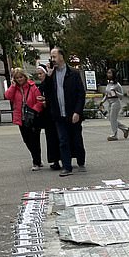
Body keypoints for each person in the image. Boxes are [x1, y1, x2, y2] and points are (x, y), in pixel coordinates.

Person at [42, 46, 87, 177]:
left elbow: (81, 94)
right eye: (51, 57)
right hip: (58, 114)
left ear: (61, 57)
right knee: (63, 140)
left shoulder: (73, 73)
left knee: (77, 139)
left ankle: (81, 162)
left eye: (54, 56)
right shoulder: (52, 74)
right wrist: (48, 77)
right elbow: (46, 91)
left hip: (72, 114)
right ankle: (66, 167)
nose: (52, 59)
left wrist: (77, 112)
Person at [4, 68, 44, 171]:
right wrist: (13, 86)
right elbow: (7, 96)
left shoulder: (32, 87)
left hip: (32, 118)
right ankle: (37, 159)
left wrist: (34, 111)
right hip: (21, 118)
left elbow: (39, 101)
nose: (19, 79)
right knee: (26, 140)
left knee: (35, 140)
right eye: (17, 78)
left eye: (21, 77)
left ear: (25, 77)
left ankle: (36, 161)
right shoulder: (15, 88)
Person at [35, 66, 61, 171]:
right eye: (38, 74)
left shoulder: (51, 83)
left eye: (41, 73)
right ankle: (55, 160)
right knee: (50, 139)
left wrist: (46, 100)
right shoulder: (40, 86)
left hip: (54, 114)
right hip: (46, 116)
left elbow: (55, 96)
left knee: (59, 137)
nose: (39, 76)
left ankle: (62, 159)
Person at [101, 69, 129, 141]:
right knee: (111, 119)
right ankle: (125, 128)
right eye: (108, 73)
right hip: (109, 103)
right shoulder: (108, 84)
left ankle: (114, 135)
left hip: (115, 103)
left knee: (113, 119)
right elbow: (106, 94)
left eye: (110, 73)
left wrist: (116, 92)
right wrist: (102, 101)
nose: (108, 74)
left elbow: (121, 96)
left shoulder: (117, 85)